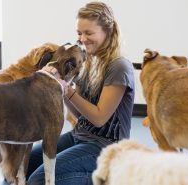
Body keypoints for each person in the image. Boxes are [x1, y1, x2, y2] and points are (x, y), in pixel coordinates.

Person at [26, 2, 135, 185]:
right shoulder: (90, 62)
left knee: (38, 180)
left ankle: (113, 177)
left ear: (107, 31)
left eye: (89, 33)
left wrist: (67, 90)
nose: (82, 39)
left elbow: (99, 118)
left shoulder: (119, 66)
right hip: (79, 135)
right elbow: (80, 114)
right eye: (79, 33)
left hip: (106, 147)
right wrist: (59, 84)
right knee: (21, 166)